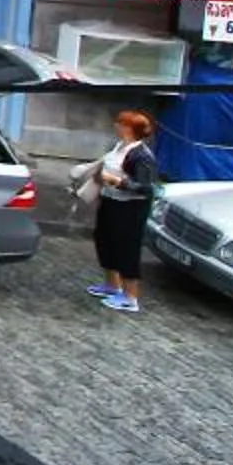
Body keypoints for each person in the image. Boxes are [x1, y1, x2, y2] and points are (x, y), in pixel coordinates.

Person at [75, 108, 163, 313]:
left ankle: (130, 296)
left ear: (129, 129)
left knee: (126, 248)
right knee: (105, 240)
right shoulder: (118, 147)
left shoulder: (141, 155)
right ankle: (112, 285)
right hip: (110, 201)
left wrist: (117, 182)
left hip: (131, 207)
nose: (116, 125)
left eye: (120, 123)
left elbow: (145, 187)